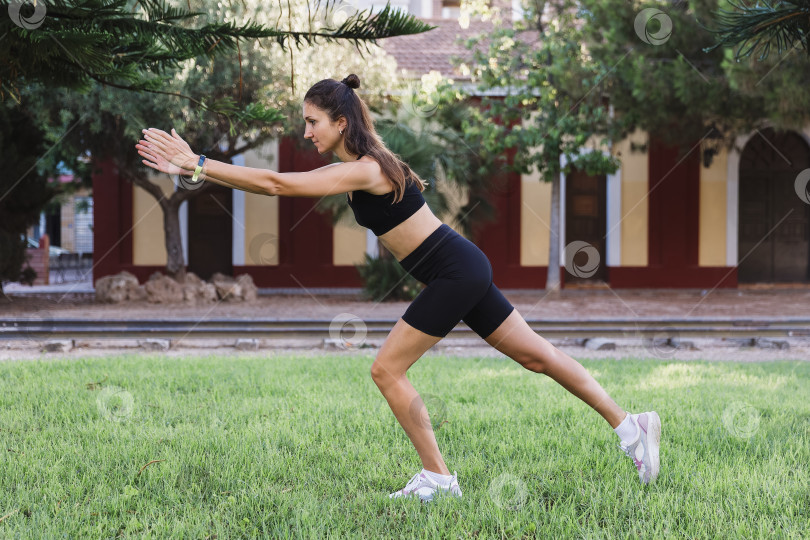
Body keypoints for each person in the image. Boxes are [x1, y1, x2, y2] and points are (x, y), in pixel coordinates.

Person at [135, 73, 661, 503]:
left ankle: (438, 478)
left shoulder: (364, 170)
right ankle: (630, 425)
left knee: (386, 368)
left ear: (341, 122)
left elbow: (279, 185)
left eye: (313, 122)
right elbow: (277, 184)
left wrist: (199, 163)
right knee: (538, 357)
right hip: (460, 268)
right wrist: (199, 171)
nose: (306, 131)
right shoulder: (367, 163)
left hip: (455, 272)